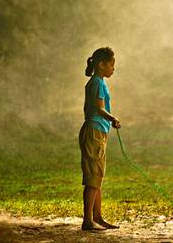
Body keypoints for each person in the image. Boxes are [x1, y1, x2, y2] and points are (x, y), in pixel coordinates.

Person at [80, 47, 121, 231]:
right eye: (111, 64)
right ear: (101, 64)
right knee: (92, 177)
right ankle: (88, 221)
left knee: (97, 177)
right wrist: (113, 118)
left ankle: (97, 217)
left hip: (98, 132)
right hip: (94, 132)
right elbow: (99, 108)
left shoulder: (99, 82)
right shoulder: (97, 83)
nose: (113, 68)